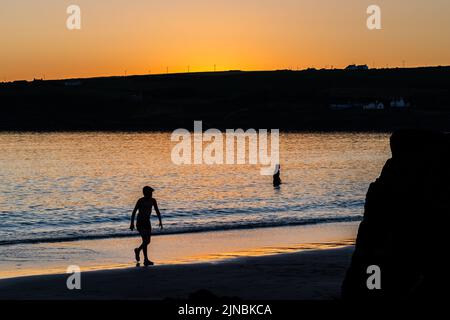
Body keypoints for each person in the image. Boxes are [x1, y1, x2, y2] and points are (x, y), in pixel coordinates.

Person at [130, 186, 163, 266]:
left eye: (152, 192)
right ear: (145, 193)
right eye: (150, 192)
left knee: (147, 241)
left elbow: (157, 210)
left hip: (147, 222)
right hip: (140, 222)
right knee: (146, 241)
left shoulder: (153, 200)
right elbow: (134, 212)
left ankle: (142, 255)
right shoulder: (140, 201)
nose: (151, 194)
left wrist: (160, 221)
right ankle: (143, 256)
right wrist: (132, 223)